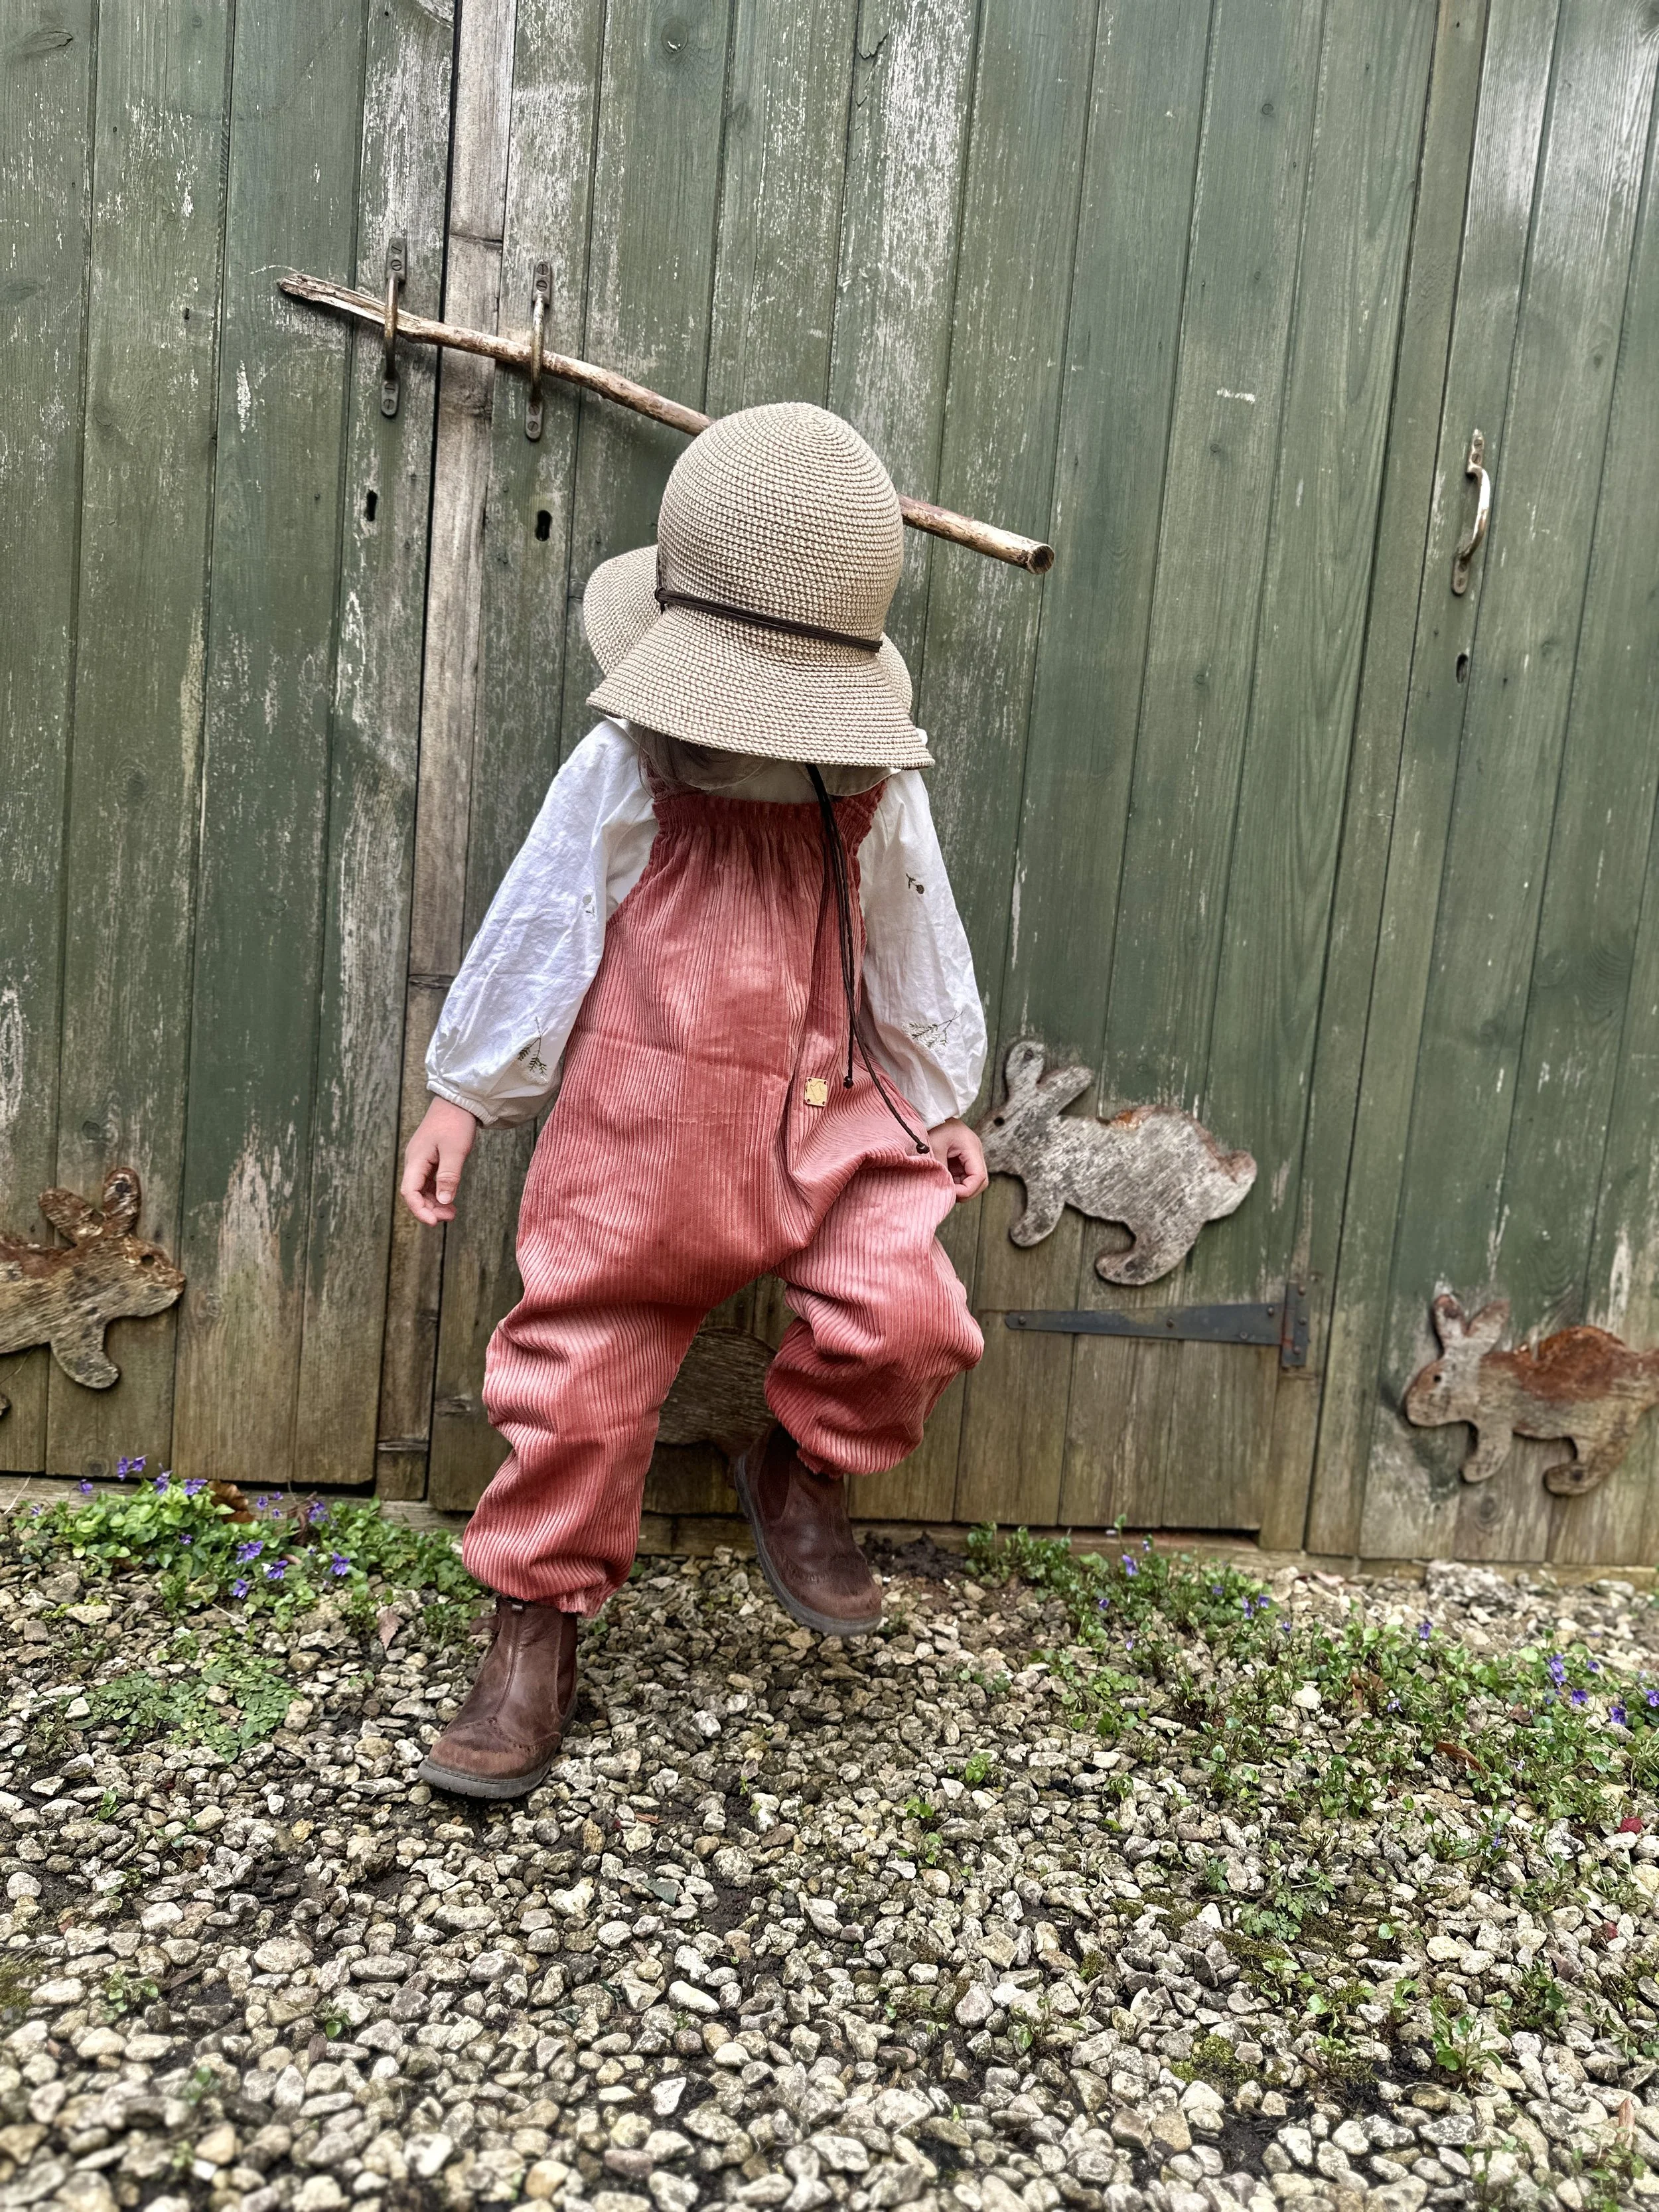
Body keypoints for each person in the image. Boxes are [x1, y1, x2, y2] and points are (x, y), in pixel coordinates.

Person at [400, 402, 987, 1799]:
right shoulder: (634, 763)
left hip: (835, 1112)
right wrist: (464, 1092)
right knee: (582, 1366)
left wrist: (937, 1090)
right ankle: (534, 1622)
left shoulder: (870, 788)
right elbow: (543, 916)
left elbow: (913, 934)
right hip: (643, 1128)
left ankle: (798, 1461)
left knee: (906, 1311)